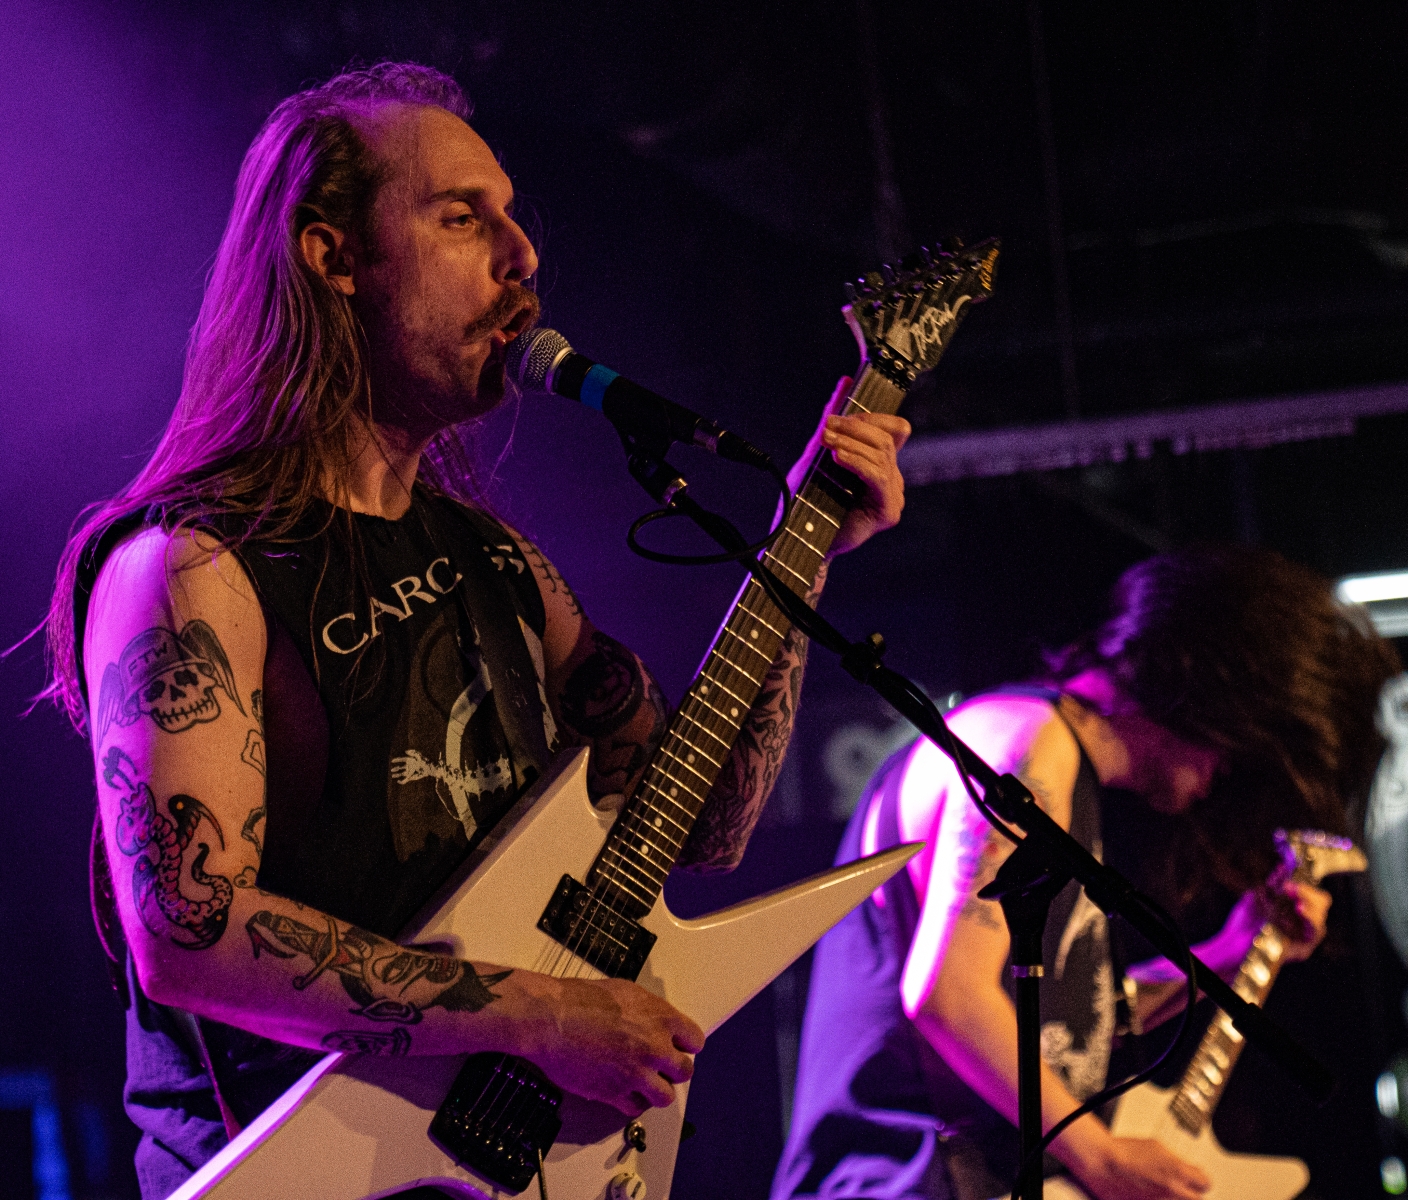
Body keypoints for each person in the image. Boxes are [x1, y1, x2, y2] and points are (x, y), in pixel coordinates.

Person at [41, 63, 910, 1197]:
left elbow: (698, 825)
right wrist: (543, 1016)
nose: (522, 255)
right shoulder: (191, 566)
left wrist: (807, 553)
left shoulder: (500, 564)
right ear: (334, 257)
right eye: (462, 217)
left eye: (511, 215)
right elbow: (189, 934)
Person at [772, 546, 1398, 1200]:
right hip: (903, 1181)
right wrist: (1102, 1157)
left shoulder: (1063, 773)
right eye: (1241, 749)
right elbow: (950, 996)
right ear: (1212, 690)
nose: (1226, 774)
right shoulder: (1026, 744)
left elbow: (1074, 1032)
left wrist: (1233, 952)